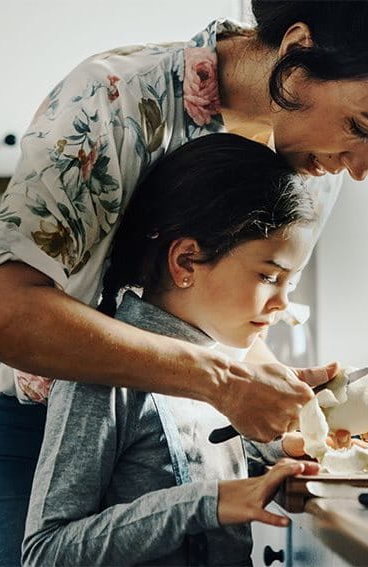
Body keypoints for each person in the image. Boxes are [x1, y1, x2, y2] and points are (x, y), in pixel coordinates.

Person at [0, 1, 368, 565]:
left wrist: (291, 407)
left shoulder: (313, 155)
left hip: (163, 412)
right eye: (361, 128)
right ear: (298, 50)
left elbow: (216, 329)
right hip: (14, 413)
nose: (361, 168)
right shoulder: (115, 96)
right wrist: (228, 384)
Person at [22, 132, 327, 566]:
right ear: (185, 261)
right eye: (267, 277)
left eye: (289, 284)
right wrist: (207, 505)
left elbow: (198, 465)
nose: (282, 304)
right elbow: (45, 553)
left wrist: (293, 449)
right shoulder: (101, 378)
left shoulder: (229, 372)